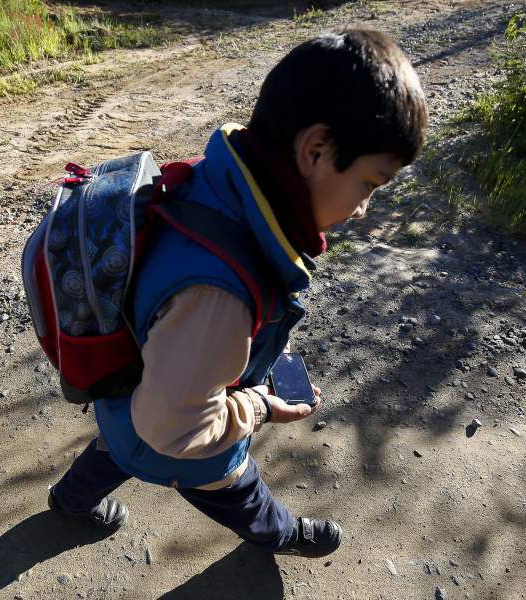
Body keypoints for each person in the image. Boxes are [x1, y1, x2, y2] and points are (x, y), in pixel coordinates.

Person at [47, 28, 428, 558]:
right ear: (316, 150)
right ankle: (283, 534)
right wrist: (258, 405)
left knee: (113, 449)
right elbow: (175, 434)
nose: (364, 207)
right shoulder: (219, 297)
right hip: (174, 437)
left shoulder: (223, 182)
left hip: (130, 393)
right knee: (237, 491)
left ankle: (67, 502)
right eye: (370, 184)